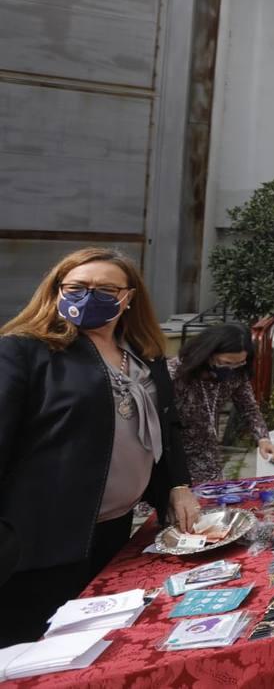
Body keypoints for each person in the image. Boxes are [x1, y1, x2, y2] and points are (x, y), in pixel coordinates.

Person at [0, 248, 198, 647]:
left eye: (106, 290)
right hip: (43, 542)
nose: (89, 297)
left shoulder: (143, 355)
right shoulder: (26, 350)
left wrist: (177, 485)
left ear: (127, 298)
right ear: (56, 290)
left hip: (116, 531)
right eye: (77, 287)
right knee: (37, 649)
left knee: (102, 644)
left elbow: (165, 425)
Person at [171, 323, 274, 486]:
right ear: (208, 354)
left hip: (208, 458)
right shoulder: (175, 373)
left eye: (238, 363)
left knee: (210, 504)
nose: (231, 369)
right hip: (173, 457)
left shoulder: (236, 374)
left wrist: (263, 439)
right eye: (225, 363)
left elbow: (249, 408)